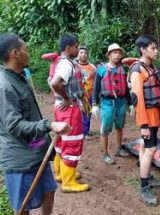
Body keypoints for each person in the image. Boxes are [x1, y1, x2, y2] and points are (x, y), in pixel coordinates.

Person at [0, 33, 71, 215]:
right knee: (23, 206)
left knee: (49, 190)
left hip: (35, 150)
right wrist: (49, 125)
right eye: (25, 49)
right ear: (15, 53)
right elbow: (14, 126)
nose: (28, 53)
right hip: (20, 158)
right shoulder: (5, 86)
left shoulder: (19, 77)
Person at [129, 35, 160, 206]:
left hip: (154, 114)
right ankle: (144, 188)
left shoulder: (149, 67)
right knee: (151, 150)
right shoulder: (138, 70)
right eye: (152, 48)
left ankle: (147, 177)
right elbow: (138, 100)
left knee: (145, 147)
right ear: (143, 50)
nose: (156, 51)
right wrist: (143, 125)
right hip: (147, 117)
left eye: (156, 47)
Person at [51, 34, 90, 192]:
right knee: (72, 142)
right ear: (68, 48)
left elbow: (51, 81)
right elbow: (55, 83)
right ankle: (68, 182)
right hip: (69, 109)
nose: (78, 48)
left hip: (61, 107)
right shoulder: (66, 64)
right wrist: (67, 99)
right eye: (75, 46)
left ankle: (62, 174)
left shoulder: (62, 62)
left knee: (62, 140)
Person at [91, 43, 130, 165]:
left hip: (121, 102)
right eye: (114, 52)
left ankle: (119, 149)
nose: (117, 55)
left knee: (119, 126)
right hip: (107, 103)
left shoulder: (122, 69)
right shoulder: (102, 69)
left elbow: (127, 89)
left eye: (119, 53)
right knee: (105, 129)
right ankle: (105, 154)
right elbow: (96, 88)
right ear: (109, 55)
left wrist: (131, 103)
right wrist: (95, 104)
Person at [76, 46, 96, 139]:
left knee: (88, 113)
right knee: (78, 114)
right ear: (77, 54)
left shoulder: (92, 67)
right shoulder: (74, 66)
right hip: (78, 96)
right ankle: (78, 132)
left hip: (89, 95)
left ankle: (86, 132)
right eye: (81, 52)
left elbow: (95, 80)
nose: (83, 55)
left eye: (85, 53)